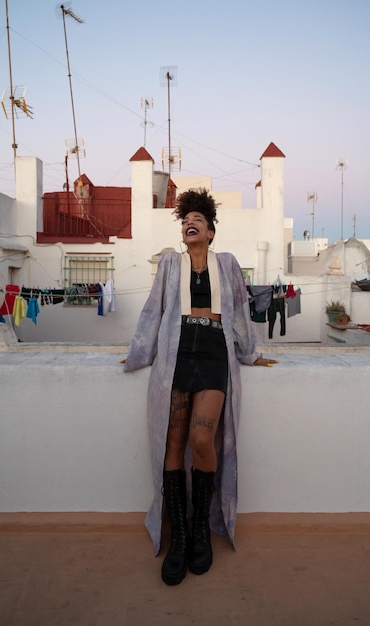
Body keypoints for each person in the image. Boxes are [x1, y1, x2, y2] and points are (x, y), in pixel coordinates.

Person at [123, 188, 277, 586]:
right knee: (173, 445)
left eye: (199, 220)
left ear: (210, 232)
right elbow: (153, 310)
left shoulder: (226, 264)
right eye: (185, 219)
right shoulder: (170, 265)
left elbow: (240, 312)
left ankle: (201, 529)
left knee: (202, 440)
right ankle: (180, 538)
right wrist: (138, 352)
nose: (190, 223)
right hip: (176, 356)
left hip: (212, 356)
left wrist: (249, 352)